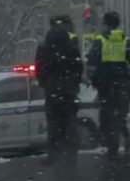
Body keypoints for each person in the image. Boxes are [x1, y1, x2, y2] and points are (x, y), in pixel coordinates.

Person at [34, 15, 82, 167]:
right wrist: (74, 83)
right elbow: (78, 67)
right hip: (69, 90)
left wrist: (46, 83)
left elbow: (39, 69)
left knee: (54, 124)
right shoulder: (71, 44)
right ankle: (71, 157)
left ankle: (54, 155)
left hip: (52, 90)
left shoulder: (44, 46)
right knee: (70, 122)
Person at [86, 11, 130, 164]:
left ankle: (112, 148)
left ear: (105, 23)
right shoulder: (125, 39)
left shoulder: (100, 40)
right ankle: (125, 138)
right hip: (123, 84)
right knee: (120, 115)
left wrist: (94, 79)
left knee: (108, 116)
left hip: (106, 85)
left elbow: (92, 62)